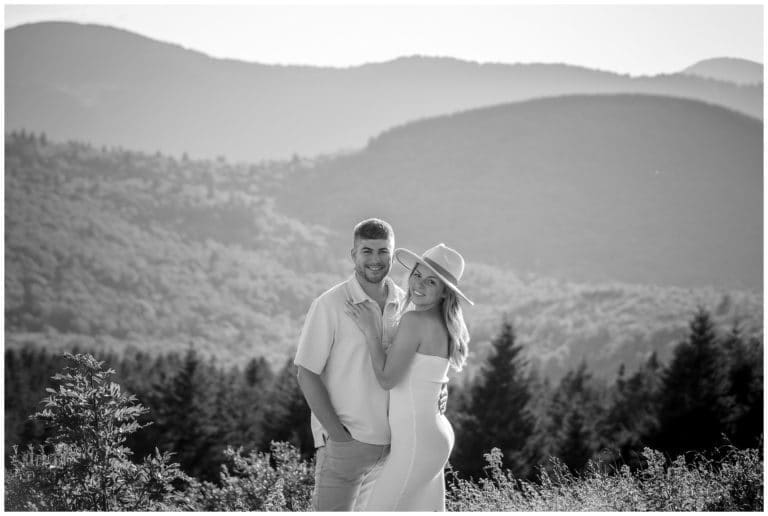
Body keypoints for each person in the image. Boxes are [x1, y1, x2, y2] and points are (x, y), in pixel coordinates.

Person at [294, 218, 447, 511]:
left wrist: (437, 394)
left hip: (396, 450)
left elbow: (415, 367)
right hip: (347, 445)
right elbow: (306, 373)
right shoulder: (330, 304)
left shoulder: (406, 305)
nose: (375, 260)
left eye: (383, 252)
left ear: (392, 255)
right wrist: (337, 436)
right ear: (353, 255)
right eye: (367, 251)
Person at [345, 242, 473, 511]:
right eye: (417, 274)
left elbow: (387, 379)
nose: (419, 285)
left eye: (431, 282)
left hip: (417, 441)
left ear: (443, 293)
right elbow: (430, 376)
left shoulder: (415, 320)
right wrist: (444, 388)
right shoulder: (444, 324)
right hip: (432, 436)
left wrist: (371, 330)